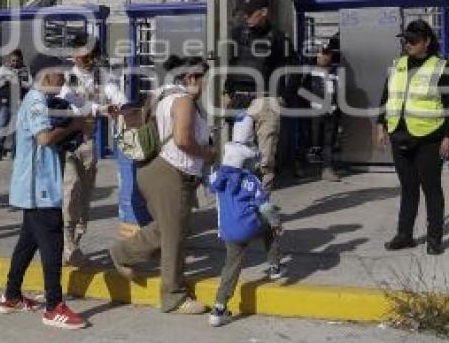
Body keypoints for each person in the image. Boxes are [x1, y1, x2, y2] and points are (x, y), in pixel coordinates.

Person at [109, 55, 214, 315]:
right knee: (174, 236)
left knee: (168, 228)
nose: (206, 85)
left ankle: (122, 252)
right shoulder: (184, 101)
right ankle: (173, 295)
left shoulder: (159, 96)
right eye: (204, 79)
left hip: (154, 170)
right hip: (170, 172)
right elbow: (182, 140)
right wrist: (209, 152)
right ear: (191, 78)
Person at [0, 54, 92, 330]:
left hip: (36, 185)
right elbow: (43, 137)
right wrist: (74, 125)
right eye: (60, 73)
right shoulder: (37, 101)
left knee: (27, 242)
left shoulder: (36, 100)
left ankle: (11, 296)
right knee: (52, 243)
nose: (63, 78)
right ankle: (54, 306)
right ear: (47, 75)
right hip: (38, 187)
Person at [377, 20, 449, 256]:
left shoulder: (441, 67)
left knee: (431, 188)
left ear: (427, 42)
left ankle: (434, 239)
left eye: (413, 40)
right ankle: (405, 235)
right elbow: (386, 96)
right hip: (399, 134)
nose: (408, 44)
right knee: (408, 187)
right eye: (405, 40)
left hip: (429, 138)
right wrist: (380, 125)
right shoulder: (397, 65)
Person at [207, 113, 284, 327]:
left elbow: (208, 183)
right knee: (270, 228)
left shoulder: (218, 178)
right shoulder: (252, 180)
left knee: (231, 268)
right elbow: (265, 207)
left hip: (229, 232)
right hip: (250, 226)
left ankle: (219, 308)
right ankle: (275, 267)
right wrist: (277, 222)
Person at [58, 34, 126, 265]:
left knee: (86, 193)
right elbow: (71, 102)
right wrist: (101, 109)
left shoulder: (102, 75)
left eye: (92, 54)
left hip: (88, 141)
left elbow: (115, 92)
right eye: (84, 53)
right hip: (66, 140)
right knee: (71, 189)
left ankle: (76, 239)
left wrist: (123, 106)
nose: (88, 59)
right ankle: (67, 243)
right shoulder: (66, 76)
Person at [225, 0, 296, 190]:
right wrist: (227, 90)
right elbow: (234, 63)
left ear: (264, 12)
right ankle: (242, 207)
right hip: (241, 100)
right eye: (244, 14)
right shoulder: (239, 34)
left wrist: (284, 97)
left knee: (265, 161)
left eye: (250, 14)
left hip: (266, 100)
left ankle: (263, 207)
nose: (246, 18)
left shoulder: (279, 38)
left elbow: (296, 69)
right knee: (238, 155)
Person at [300, 46, 342, 182]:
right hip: (314, 114)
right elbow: (303, 92)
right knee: (310, 140)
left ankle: (327, 169)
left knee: (329, 142)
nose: (324, 57)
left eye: (326, 54)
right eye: (321, 55)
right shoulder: (310, 73)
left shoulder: (336, 73)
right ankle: (300, 166)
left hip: (332, 113)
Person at [0, 49, 31, 161]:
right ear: (9, 60)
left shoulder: (25, 70)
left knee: (17, 129)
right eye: (13, 60)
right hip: (5, 102)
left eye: (17, 61)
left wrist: (18, 81)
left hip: (19, 103)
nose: (15, 63)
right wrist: (5, 81)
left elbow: (30, 85)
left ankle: (15, 153)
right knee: (1, 127)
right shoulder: (4, 69)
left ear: (21, 60)